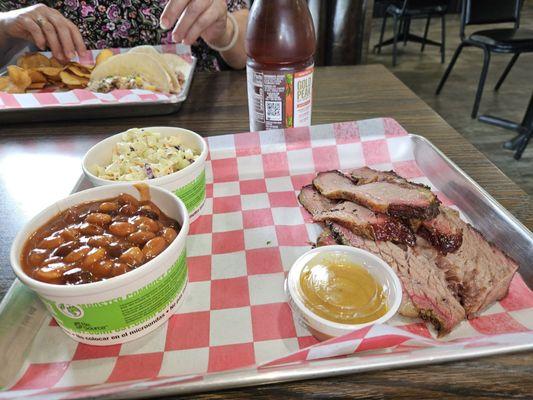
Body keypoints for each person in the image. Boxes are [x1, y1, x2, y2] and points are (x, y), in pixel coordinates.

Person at [0, 0, 248, 71]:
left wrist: (225, 31)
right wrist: (5, 24)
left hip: (194, 117)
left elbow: (247, 50)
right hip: (57, 126)